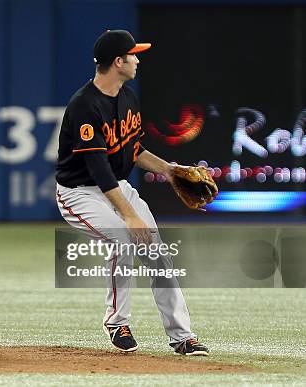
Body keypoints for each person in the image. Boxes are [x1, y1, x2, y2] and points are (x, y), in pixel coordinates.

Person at [55, 30, 209, 356]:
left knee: (158, 256)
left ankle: (182, 337)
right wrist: (129, 215)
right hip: (79, 193)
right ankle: (117, 322)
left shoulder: (127, 97)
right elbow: (97, 168)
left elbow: (133, 148)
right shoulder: (84, 106)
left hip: (117, 185)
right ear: (118, 61)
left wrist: (168, 170)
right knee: (122, 238)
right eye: (133, 55)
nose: (137, 60)